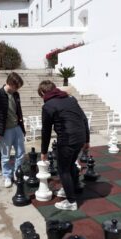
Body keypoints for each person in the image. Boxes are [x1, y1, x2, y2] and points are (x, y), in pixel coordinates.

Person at [38, 80, 90, 210]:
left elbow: (46, 131)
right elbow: (84, 119)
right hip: (80, 137)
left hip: (67, 139)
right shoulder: (71, 99)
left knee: (63, 169)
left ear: (44, 92)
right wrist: (87, 140)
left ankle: (71, 202)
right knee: (70, 164)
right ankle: (71, 188)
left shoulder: (48, 106)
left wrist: (43, 151)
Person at [0, 72, 26, 188]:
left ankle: (17, 173)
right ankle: (7, 176)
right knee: (5, 156)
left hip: (17, 128)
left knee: (21, 153)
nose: (17, 89)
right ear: (10, 83)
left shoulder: (16, 94)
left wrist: (22, 128)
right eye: (16, 86)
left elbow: (19, 111)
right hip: (5, 130)